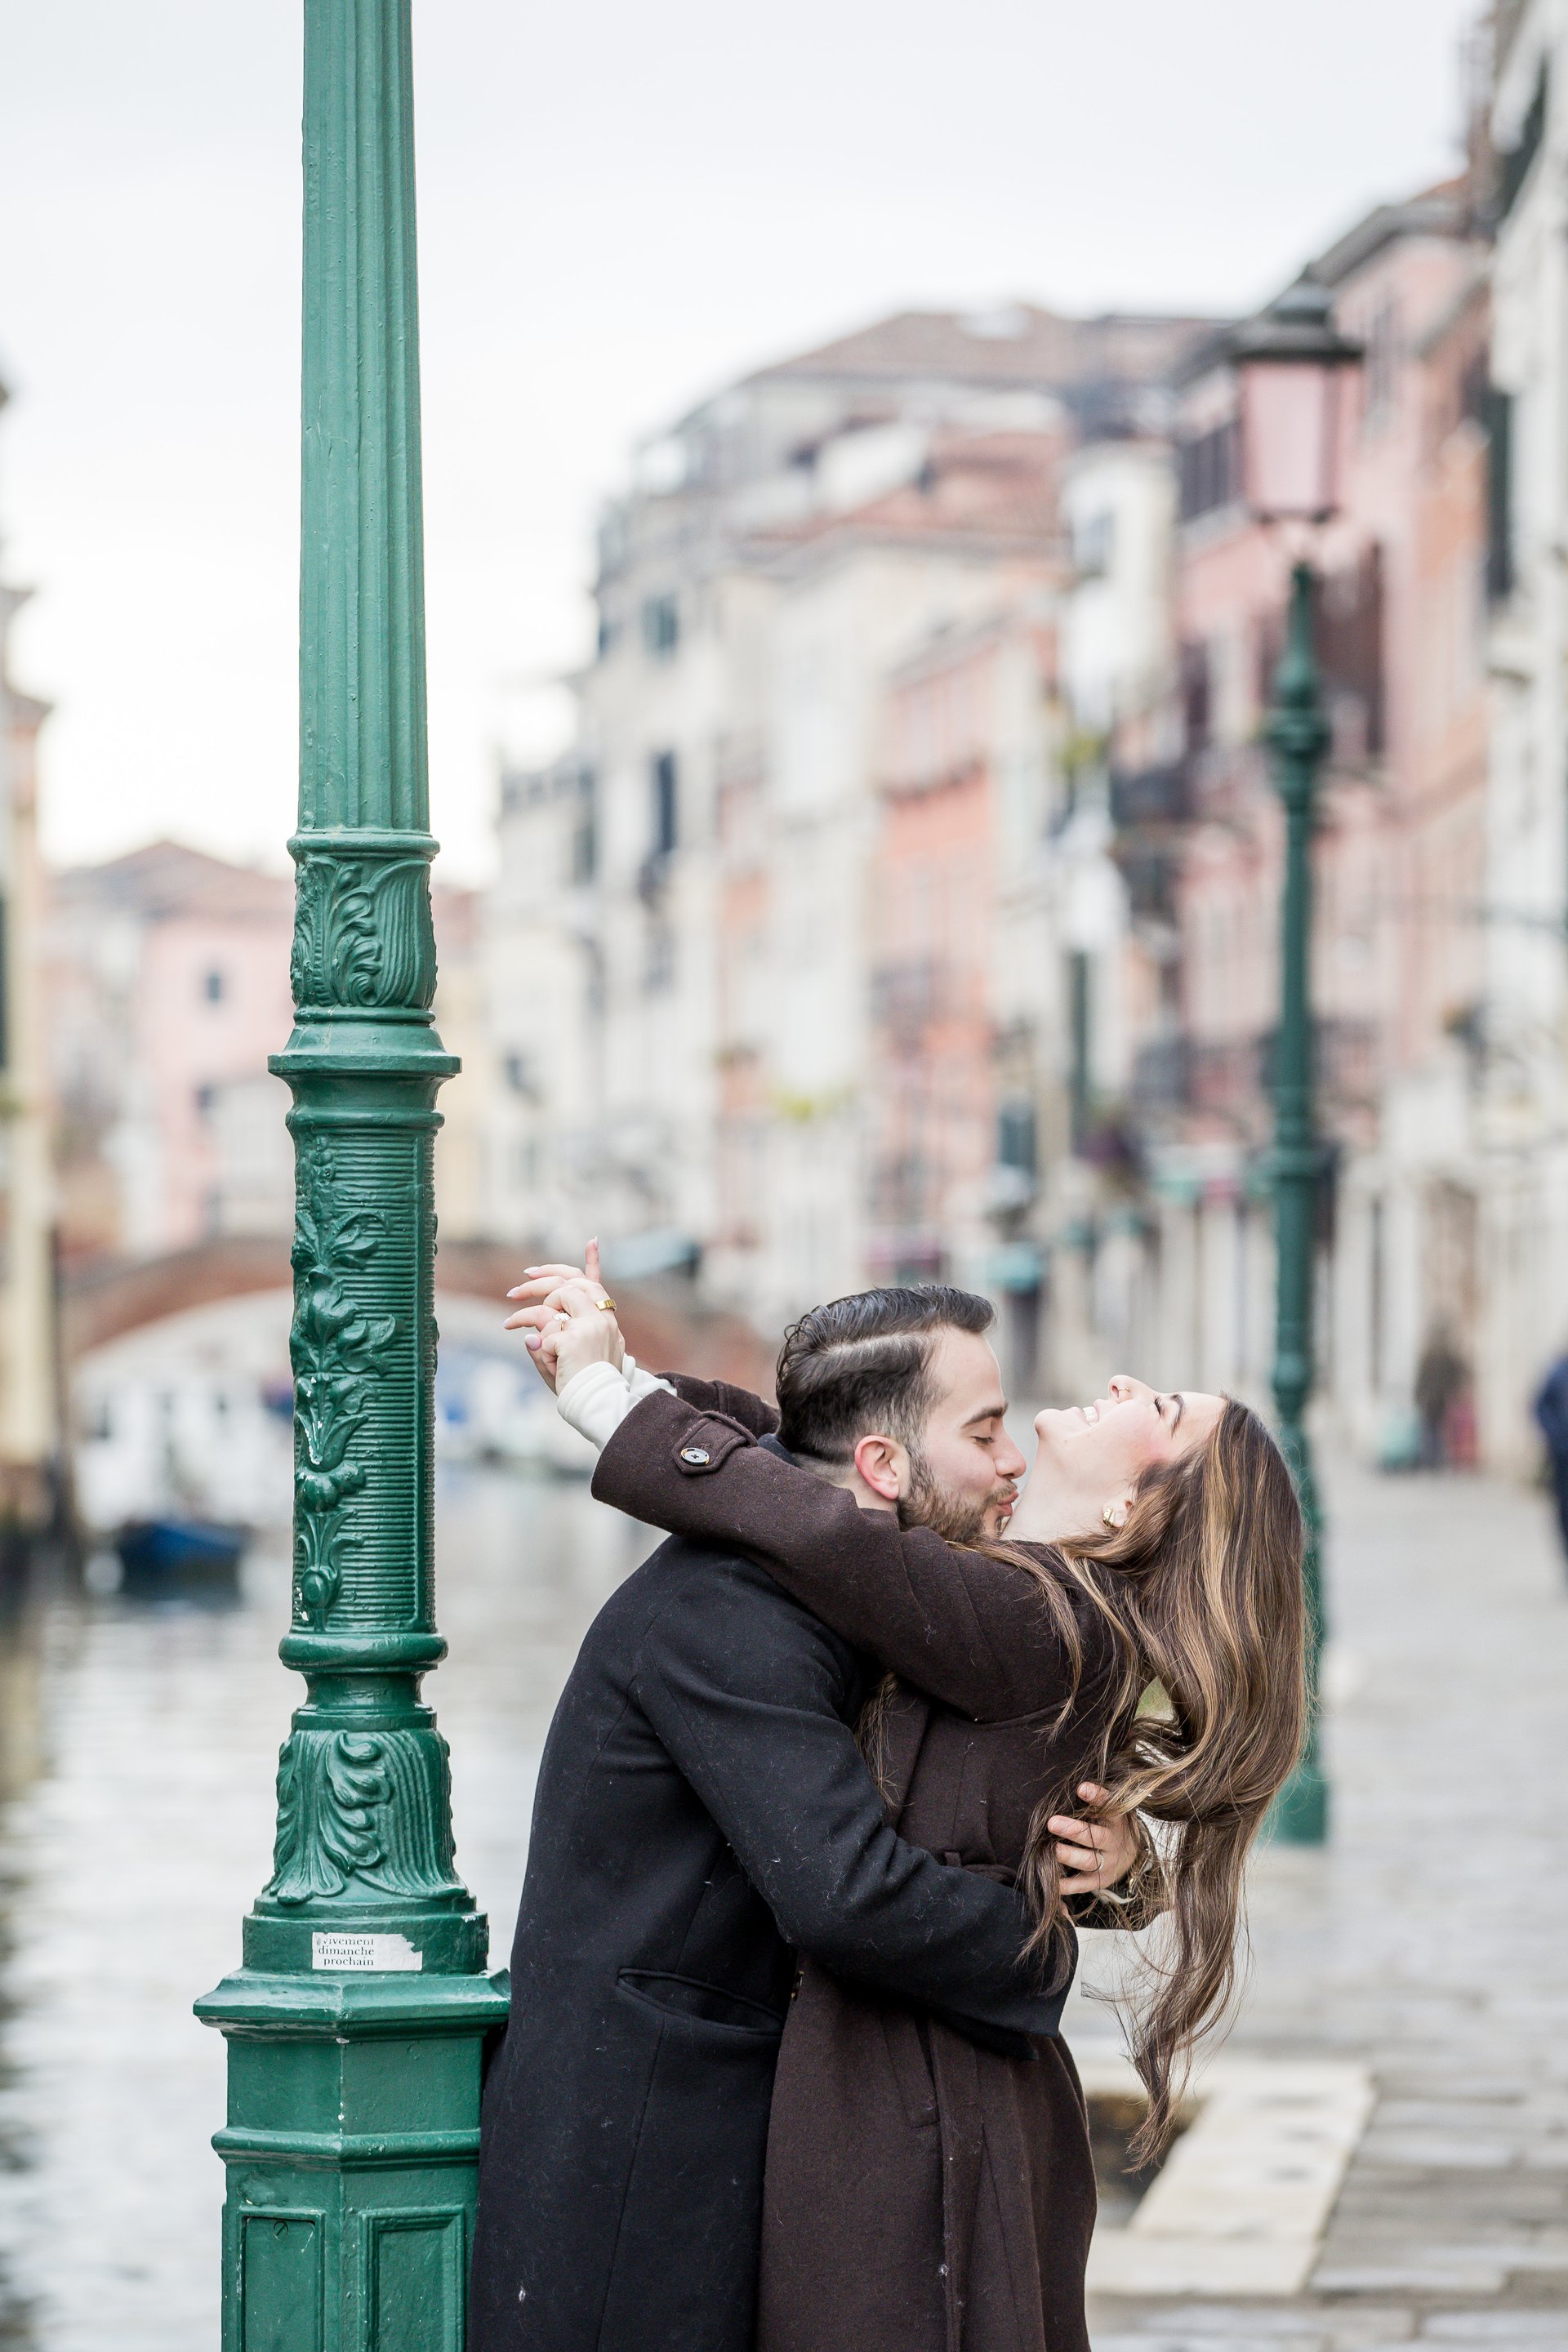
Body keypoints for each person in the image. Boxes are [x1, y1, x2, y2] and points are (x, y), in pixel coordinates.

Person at [510, 1257, 1307, 2352]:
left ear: (1134, 1505)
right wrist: (1093, 1902)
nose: (1017, 1453)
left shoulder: (1032, 1616)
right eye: (986, 1434)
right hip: (721, 2124)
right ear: (884, 1465)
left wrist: (619, 1403)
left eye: (1159, 1408)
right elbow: (808, 1487)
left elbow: (826, 1519)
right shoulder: (783, 1607)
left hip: (920, 2110)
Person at [1534, 1348, 1568, 1567]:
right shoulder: (1558, 1373)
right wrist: (1555, 1436)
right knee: (1564, 1511)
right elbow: (1540, 1406)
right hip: (1563, 1456)